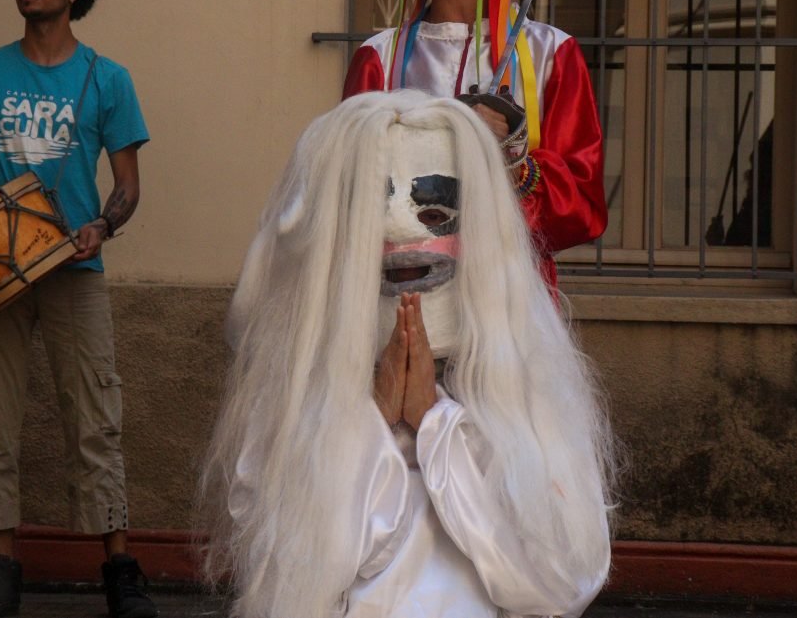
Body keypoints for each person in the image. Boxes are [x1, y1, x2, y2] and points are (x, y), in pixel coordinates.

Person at [199, 90, 615, 618]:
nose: (399, 229)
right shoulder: (295, 398)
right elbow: (290, 581)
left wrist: (435, 424)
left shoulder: (523, 391)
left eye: (434, 210)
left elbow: (560, 582)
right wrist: (369, 418)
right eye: (371, 215)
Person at [0, 0, 156, 618]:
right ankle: (2, 567)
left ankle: (119, 568)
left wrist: (103, 225)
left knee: (95, 412)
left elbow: (127, 184)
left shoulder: (108, 77)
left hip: (73, 267)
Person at [343, 0, 607, 285]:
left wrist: (510, 157)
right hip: (403, 300)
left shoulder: (551, 53)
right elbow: (346, 198)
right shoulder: (378, 59)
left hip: (512, 310)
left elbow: (583, 209)